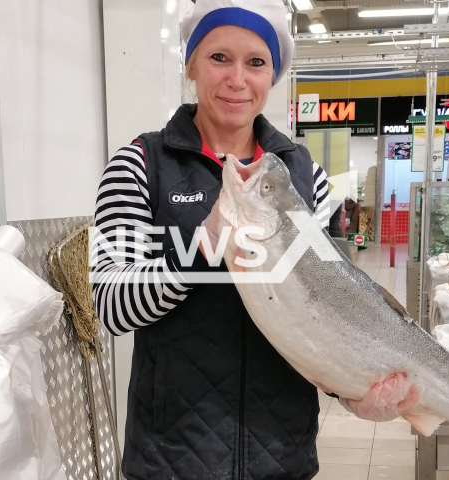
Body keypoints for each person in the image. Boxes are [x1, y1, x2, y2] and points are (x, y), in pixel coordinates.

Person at [92, 1, 418, 479]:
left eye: (256, 62)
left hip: (282, 457)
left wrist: (353, 394)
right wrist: (201, 251)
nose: (237, 79)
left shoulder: (308, 180)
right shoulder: (139, 166)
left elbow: (334, 310)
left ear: (273, 75)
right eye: (219, 57)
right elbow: (111, 306)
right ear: (191, 65)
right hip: (172, 460)